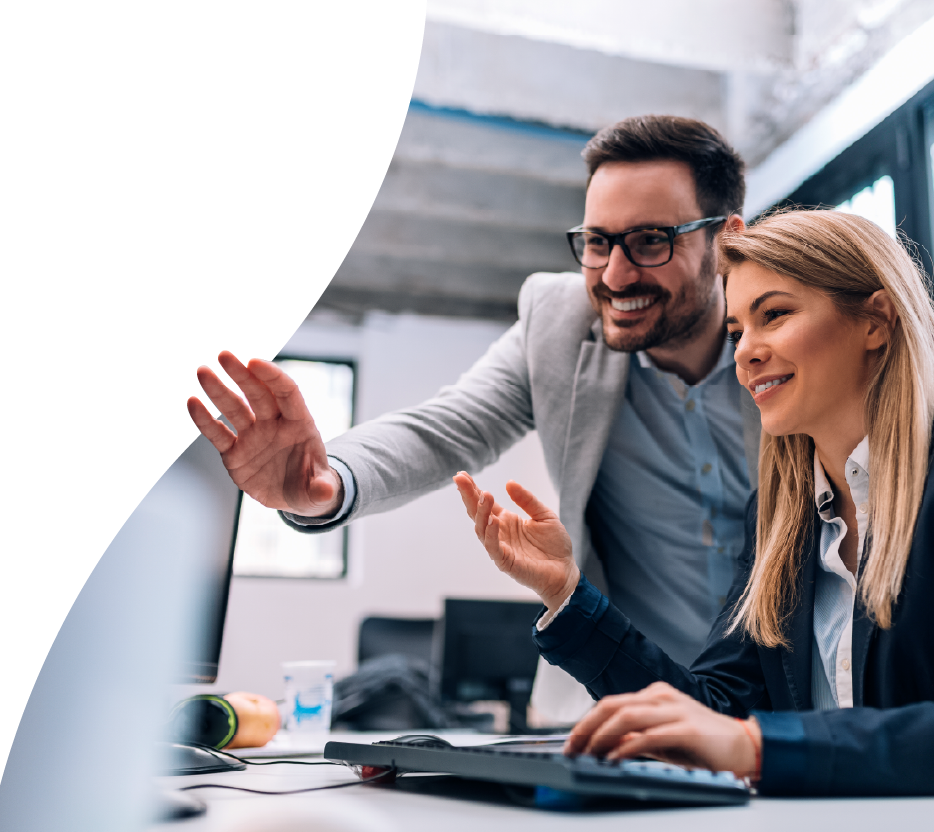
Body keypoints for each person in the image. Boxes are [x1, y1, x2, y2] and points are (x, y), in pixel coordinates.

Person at [186, 115, 762, 720]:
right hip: (625, 703)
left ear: (725, 240)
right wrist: (327, 481)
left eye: (651, 241)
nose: (615, 275)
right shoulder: (561, 324)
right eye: (597, 242)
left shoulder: (791, 337)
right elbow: (447, 427)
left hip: (788, 702)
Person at [453, 208, 934, 795]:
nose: (745, 353)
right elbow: (713, 713)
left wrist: (759, 748)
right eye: (737, 333)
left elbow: (742, 740)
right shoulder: (782, 519)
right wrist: (566, 594)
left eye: (775, 315)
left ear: (876, 322)